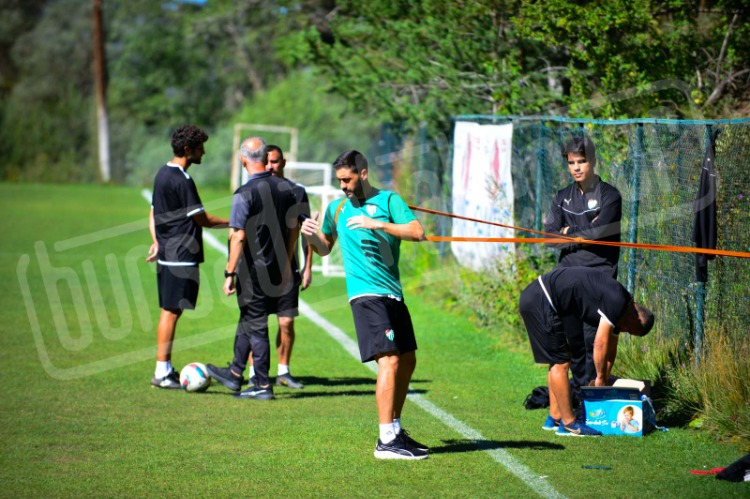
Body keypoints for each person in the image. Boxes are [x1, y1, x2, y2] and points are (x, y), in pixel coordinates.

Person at [300, 150, 428, 460]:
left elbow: (417, 232)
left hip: (392, 292)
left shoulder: (388, 201)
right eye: (340, 180)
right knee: (389, 361)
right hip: (364, 294)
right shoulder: (337, 207)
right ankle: (386, 440)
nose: (343, 185)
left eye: (348, 179)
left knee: (407, 360)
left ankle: (396, 430)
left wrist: (378, 225)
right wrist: (311, 237)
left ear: (364, 173)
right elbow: (324, 249)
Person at [206, 137, 300, 401]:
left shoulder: (244, 192)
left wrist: (229, 272)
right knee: (249, 317)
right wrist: (286, 260)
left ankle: (261, 384)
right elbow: (295, 228)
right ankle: (235, 373)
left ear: (243, 159)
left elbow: (237, 236)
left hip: (253, 271)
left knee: (256, 324)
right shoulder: (285, 188)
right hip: (277, 268)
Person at [518, 266, 654, 437]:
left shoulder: (622, 308)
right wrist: (600, 379)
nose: (626, 331)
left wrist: (605, 376)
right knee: (561, 363)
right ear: (635, 317)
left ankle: (555, 417)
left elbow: (611, 348)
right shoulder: (617, 302)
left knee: (558, 360)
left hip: (541, 298)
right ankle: (569, 424)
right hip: (540, 299)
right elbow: (599, 344)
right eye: (631, 330)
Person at [146, 125, 228, 389]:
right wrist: (236, 222)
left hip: (169, 253)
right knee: (171, 312)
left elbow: (152, 212)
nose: (203, 151)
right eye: (199, 147)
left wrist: (156, 240)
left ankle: (165, 369)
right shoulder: (182, 179)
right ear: (187, 150)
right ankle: (161, 372)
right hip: (180, 256)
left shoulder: (162, 173)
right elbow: (202, 219)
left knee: (171, 311)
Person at [543, 135, 623, 404]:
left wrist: (569, 230)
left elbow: (600, 232)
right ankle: (573, 404)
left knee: (592, 345)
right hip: (566, 278)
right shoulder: (561, 197)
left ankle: (591, 403)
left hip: (598, 279)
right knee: (570, 345)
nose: (576, 167)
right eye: (571, 162)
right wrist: (573, 233)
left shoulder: (610, 195)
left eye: (582, 161)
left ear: (593, 161)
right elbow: (548, 237)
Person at [246, 144, 312, 389]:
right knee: (258, 323)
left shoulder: (297, 191)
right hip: (259, 271)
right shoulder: (255, 190)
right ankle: (255, 373)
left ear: (283, 162)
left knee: (286, 322)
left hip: (287, 270)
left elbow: (306, 232)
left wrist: (308, 267)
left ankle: (283, 371)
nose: (271, 166)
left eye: (275, 162)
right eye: (268, 162)